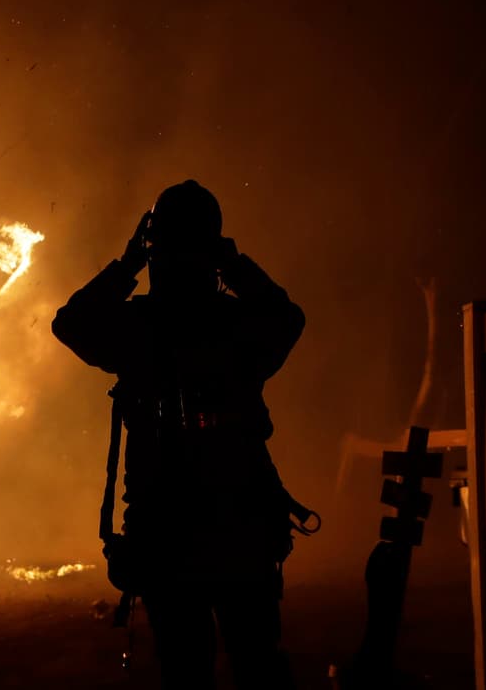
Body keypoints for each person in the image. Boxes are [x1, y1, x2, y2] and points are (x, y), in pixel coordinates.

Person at [52, 180, 305, 690]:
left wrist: (127, 265)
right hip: (239, 527)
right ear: (213, 245)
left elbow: (72, 323)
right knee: (257, 666)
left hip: (168, 534)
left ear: (155, 246)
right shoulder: (236, 324)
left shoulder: (138, 326)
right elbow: (287, 318)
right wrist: (233, 265)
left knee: (187, 672)